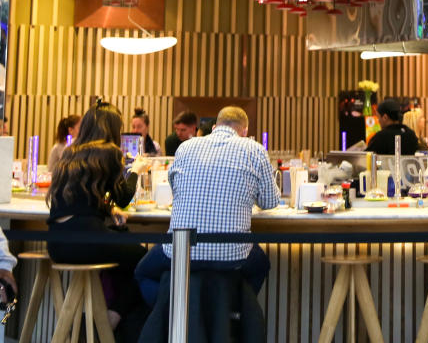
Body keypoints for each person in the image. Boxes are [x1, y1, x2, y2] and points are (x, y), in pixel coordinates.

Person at [135, 106, 281, 305]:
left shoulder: (185, 147)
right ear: (245, 131)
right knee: (261, 264)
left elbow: (175, 189)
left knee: (143, 273)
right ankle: (230, 313)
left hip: (181, 249)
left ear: (214, 127)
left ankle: (177, 310)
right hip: (232, 255)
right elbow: (270, 202)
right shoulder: (255, 150)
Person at [47, 103, 151, 339]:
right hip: (87, 240)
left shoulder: (69, 154)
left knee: (124, 249)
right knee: (146, 260)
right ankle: (113, 317)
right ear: (113, 128)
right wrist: (136, 169)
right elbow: (124, 196)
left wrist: (107, 207)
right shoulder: (110, 152)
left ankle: (102, 321)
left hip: (57, 243)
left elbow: (82, 199)